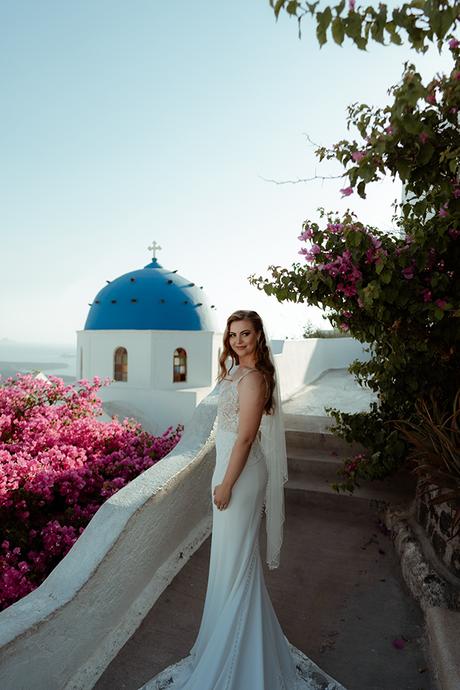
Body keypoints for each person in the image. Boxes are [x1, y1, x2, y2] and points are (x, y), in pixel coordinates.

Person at [139, 310, 346, 690]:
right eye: (233, 334)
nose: (238, 340)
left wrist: (226, 484)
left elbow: (246, 438)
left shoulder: (254, 380)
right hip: (229, 470)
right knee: (227, 561)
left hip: (242, 474)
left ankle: (239, 656)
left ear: (258, 336)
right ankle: (227, 641)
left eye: (245, 333)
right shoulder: (233, 373)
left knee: (236, 562)